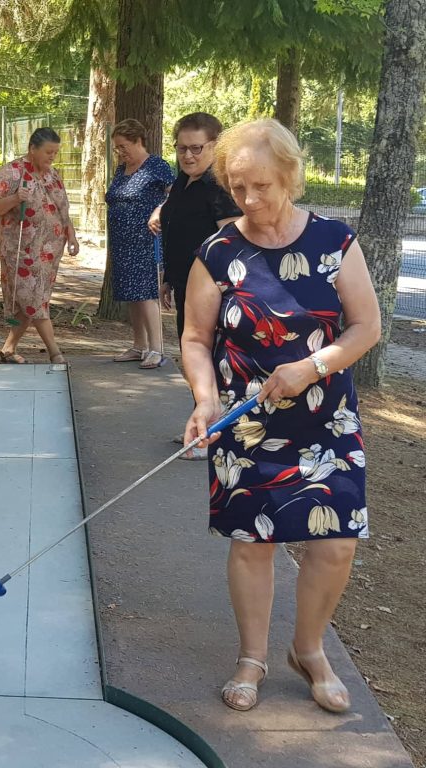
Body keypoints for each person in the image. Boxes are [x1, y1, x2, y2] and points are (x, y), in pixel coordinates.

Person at [182, 119, 381, 714]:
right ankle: (252, 656)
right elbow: (195, 338)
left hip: (326, 419)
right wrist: (205, 398)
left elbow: (366, 327)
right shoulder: (218, 253)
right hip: (246, 423)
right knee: (252, 543)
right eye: (238, 187)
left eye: (262, 186)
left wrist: (312, 367)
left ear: (290, 175)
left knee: (337, 543)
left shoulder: (334, 242)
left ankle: (309, 649)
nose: (250, 200)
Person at [0, 127, 79, 364]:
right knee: (34, 298)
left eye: (55, 152)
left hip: (49, 250)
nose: (52, 157)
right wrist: (16, 198)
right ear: (32, 149)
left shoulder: (53, 175)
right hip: (19, 249)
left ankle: (8, 348)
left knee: (31, 301)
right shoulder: (12, 173)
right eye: (48, 152)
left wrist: (71, 235)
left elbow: (63, 209)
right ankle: (55, 352)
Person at [149, 113, 241, 340]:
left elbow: (233, 242)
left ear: (215, 146)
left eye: (196, 148)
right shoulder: (183, 179)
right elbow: (178, 229)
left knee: (204, 358)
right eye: (181, 149)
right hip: (183, 284)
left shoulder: (219, 186)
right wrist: (169, 277)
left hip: (211, 292)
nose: (187, 155)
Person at [106, 119, 175, 369]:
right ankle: (139, 346)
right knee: (132, 294)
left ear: (138, 141)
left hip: (146, 239)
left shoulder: (156, 166)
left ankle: (157, 349)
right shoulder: (121, 169)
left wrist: (159, 209)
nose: (120, 152)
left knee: (146, 292)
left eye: (124, 146)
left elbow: (175, 193)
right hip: (122, 241)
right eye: (117, 148)